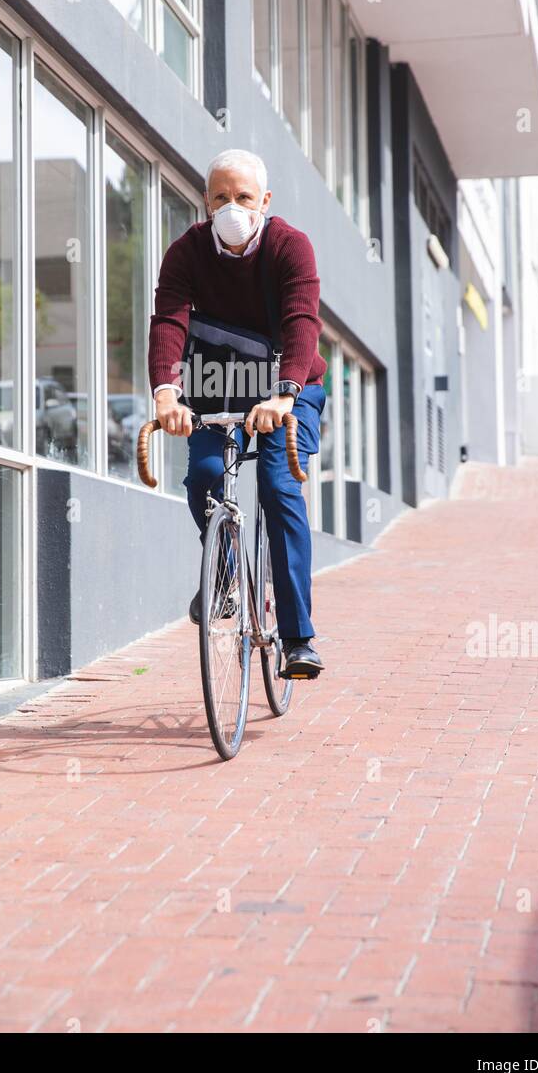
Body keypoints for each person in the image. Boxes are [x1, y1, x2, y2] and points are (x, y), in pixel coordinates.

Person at [148, 148, 327, 680]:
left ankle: (297, 638)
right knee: (204, 477)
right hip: (215, 388)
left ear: (264, 201)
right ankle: (224, 573)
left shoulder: (291, 247)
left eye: (243, 198)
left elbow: (301, 319)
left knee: (278, 487)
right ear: (206, 202)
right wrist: (165, 391)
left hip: (287, 391)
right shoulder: (186, 252)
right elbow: (169, 322)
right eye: (221, 198)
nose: (232, 208)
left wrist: (285, 392)